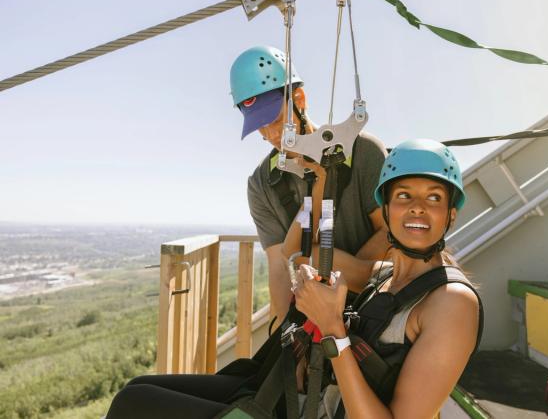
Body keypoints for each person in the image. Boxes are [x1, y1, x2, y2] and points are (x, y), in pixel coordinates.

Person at [105, 139, 483, 419]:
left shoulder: (451, 302)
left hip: (305, 409)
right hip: (295, 392)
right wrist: (321, 182)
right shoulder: (384, 276)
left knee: (131, 406)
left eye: (434, 197)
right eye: (404, 195)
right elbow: (305, 252)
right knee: (137, 389)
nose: (418, 206)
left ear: (450, 214)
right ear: (386, 208)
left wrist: (334, 330)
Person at [231, 45, 389, 325]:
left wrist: (335, 277)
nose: (271, 135)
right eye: (260, 126)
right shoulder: (262, 184)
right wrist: (284, 334)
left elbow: (390, 233)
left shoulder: (363, 152)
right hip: (314, 313)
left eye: (276, 120)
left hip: (376, 302)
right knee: (301, 256)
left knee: (309, 256)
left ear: (299, 99)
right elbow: (280, 268)